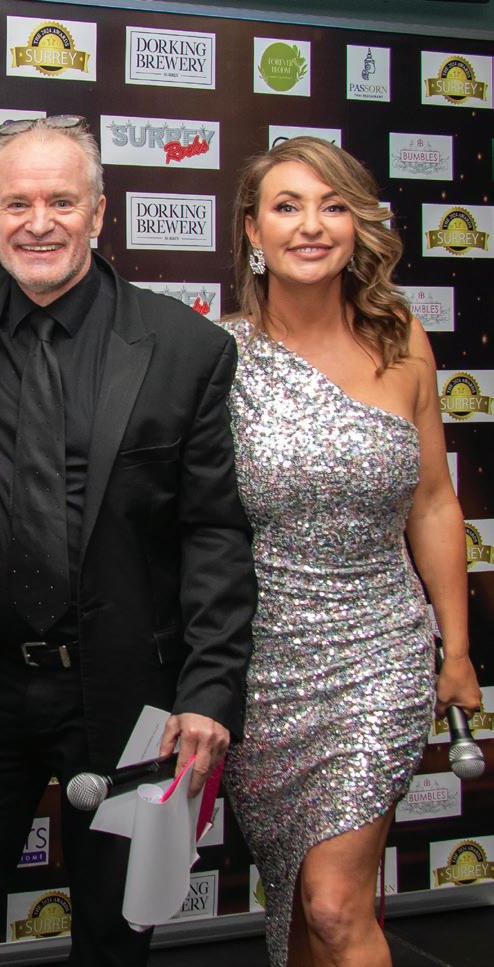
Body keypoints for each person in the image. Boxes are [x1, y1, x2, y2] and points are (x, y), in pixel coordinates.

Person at [0, 118, 256, 966]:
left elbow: (213, 532)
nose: (39, 223)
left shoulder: (186, 348)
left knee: (116, 930)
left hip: (128, 693)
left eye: (62, 201)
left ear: (100, 211)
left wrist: (209, 690)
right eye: (16, 203)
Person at [219, 136, 481, 967]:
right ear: (253, 231)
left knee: (336, 905)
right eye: (287, 206)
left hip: (379, 652)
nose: (311, 225)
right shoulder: (220, 358)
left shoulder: (402, 341)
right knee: (298, 904)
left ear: (358, 225)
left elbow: (433, 503)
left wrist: (457, 650)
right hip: (261, 666)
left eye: (333, 205)